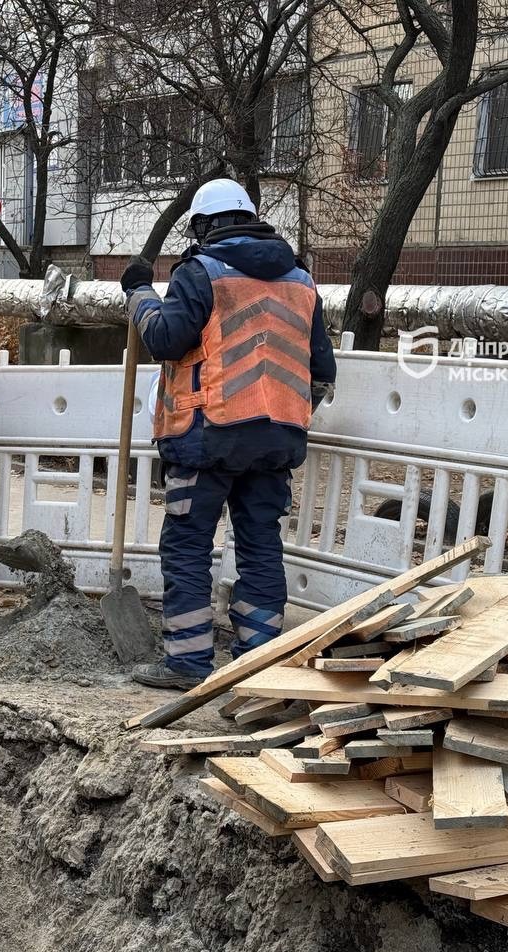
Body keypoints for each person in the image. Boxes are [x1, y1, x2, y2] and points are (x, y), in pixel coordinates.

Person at [120, 178, 337, 690]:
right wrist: (284, 411)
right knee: (261, 545)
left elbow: (165, 338)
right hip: (276, 441)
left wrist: (139, 294)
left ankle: (188, 663)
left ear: (202, 227)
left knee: (188, 545)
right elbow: (322, 370)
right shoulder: (301, 282)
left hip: (206, 439)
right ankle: (258, 665)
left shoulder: (202, 273)